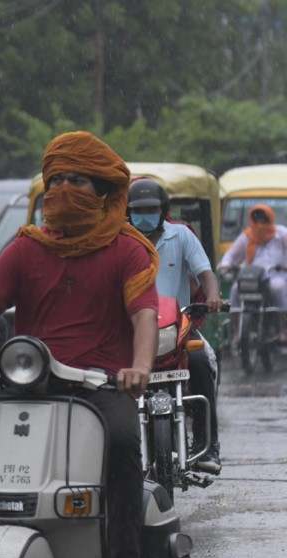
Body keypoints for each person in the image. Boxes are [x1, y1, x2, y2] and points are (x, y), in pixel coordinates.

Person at [0, 132, 159, 558]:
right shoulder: (25, 249)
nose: (62, 190)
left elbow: (144, 317)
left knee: (121, 440)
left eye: (76, 180)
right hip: (28, 382)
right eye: (54, 180)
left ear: (101, 191)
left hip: (100, 384)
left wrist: (139, 368)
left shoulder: (127, 249)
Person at [127, 178, 222, 472]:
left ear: (163, 210)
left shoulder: (181, 235)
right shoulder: (122, 240)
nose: (146, 214)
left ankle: (208, 447)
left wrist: (214, 295)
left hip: (177, 326)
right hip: (130, 329)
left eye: (152, 209)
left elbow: (205, 272)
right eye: (139, 210)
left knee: (202, 362)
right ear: (128, 212)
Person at [219, 203, 287, 342]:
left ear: (270, 218)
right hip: (252, 277)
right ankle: (236, 331)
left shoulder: (281, 233)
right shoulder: (247, 236)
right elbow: (231, 255)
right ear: (252, 220)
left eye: (264, 219)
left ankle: (282, 330)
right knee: (235, 289)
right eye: (257, 220)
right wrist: (226, 265)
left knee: (278, 288)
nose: (260, 223)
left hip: (275, 275)